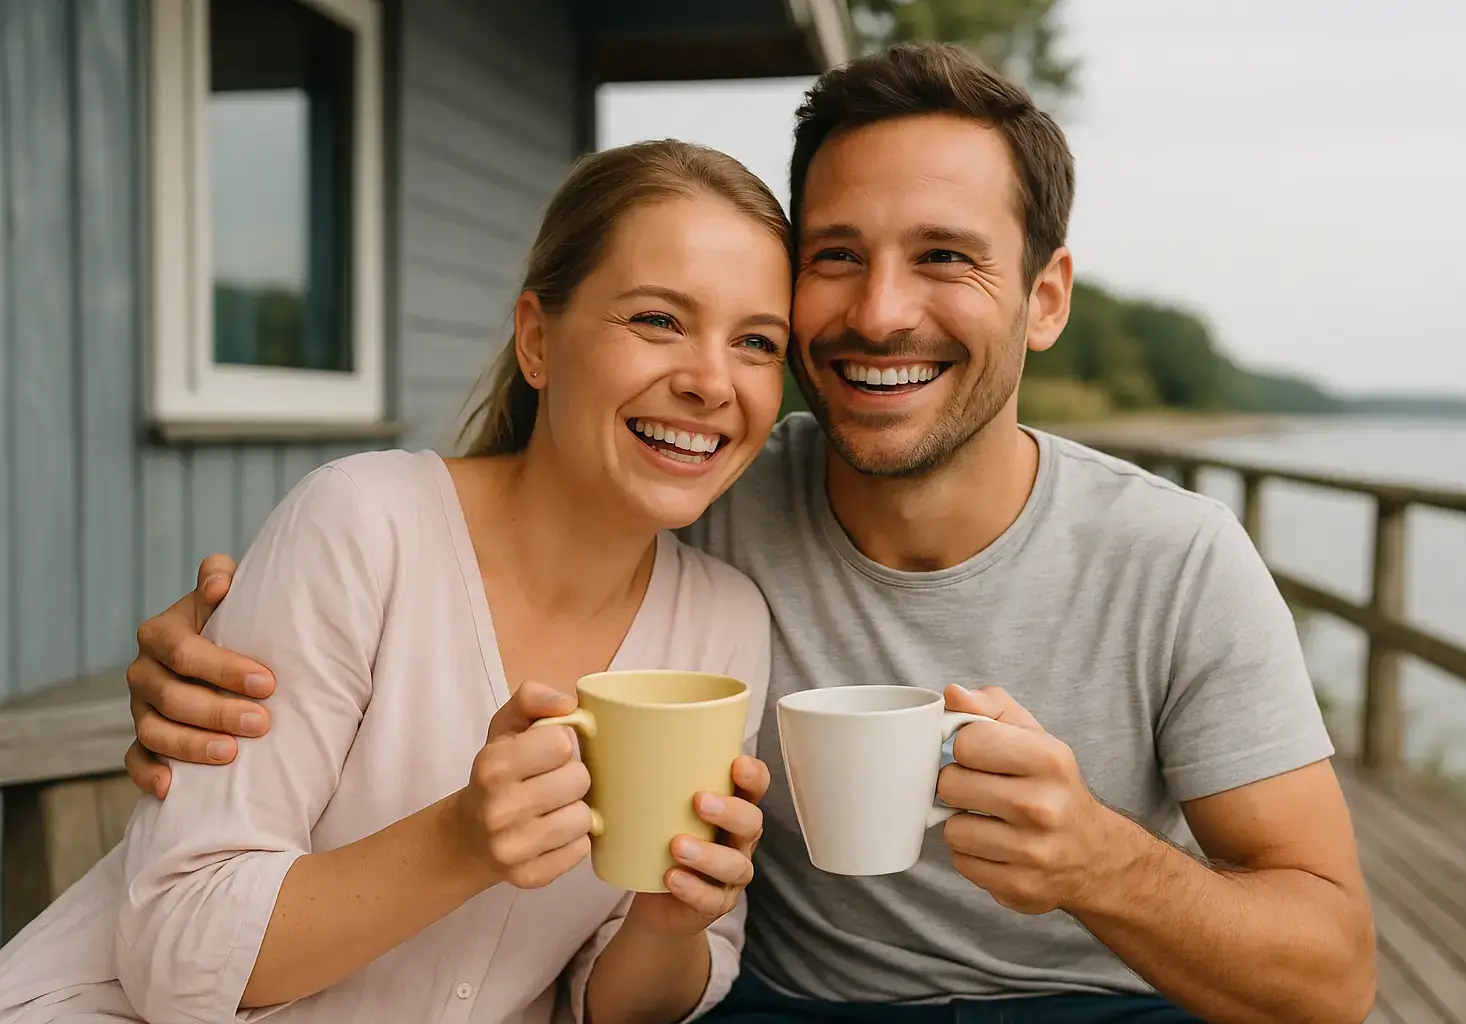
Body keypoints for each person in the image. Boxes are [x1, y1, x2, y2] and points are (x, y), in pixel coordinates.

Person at [117, 43, 1378, 1024]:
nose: (880, 311)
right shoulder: (701, 490)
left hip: (1097, 1002)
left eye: (945, 256)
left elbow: (1333, 976)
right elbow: (490, 528)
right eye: (837, 255)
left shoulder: (1177, 560)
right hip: (786, 1005)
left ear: (1044, 299)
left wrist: (1102, 861)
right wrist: (216, 647)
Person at [0, 140, 795, 1024]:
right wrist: (460, 842)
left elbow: (611, 1004)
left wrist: (668, 925)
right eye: (657, 320)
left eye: (757, 342)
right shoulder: (362, 524)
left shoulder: (725, 624)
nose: (711, 382)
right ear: (537, 340)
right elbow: (176, 951)